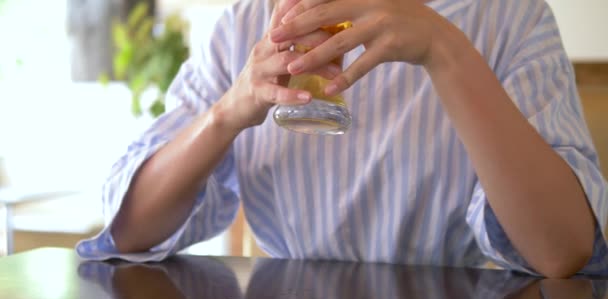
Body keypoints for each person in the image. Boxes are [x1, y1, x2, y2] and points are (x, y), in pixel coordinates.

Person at [77, 0, 608, 278]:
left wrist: (443, 48)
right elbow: (128, 233)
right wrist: (228, 112)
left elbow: (561, 251)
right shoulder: (246, 26)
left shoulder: (510, 20)